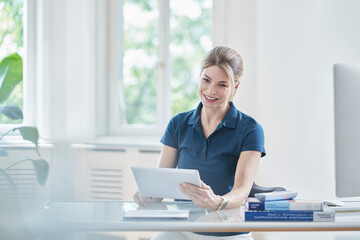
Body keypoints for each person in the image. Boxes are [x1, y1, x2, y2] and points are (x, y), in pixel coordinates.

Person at [133, 46, 265, 240]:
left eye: (222, 84)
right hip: (181, 228)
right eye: (206, 80)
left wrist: (218, 201)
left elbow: (242, 191)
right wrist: (149, 194)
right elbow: (162, 180)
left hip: (228, 231)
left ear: (235, 87)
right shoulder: (178, 124)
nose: (211, 90)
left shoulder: (250, 129)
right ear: (200, 77)